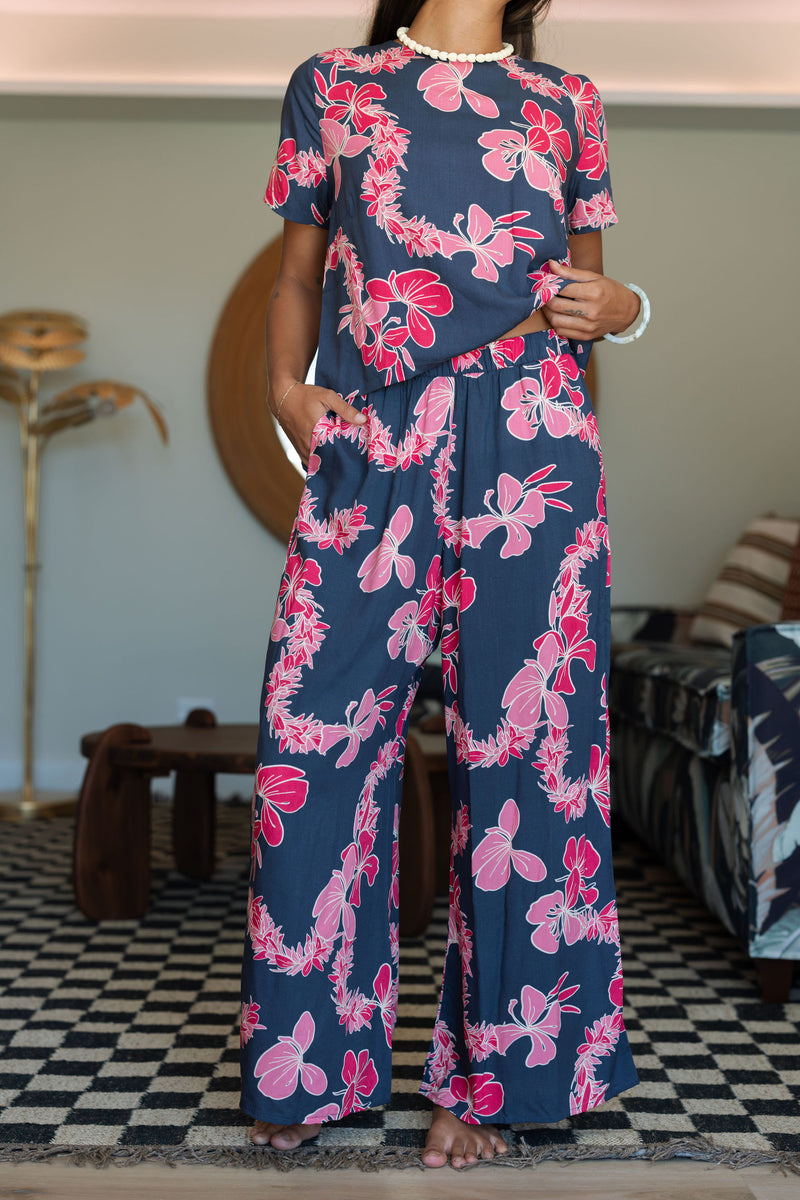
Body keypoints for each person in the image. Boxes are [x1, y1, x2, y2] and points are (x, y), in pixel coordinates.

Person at [240, 0, 644, 1170]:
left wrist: (629, 312)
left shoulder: (565, 99)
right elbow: (297, 274)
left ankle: (496, 1079)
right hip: (377, 440)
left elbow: (589, 299)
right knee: (311, 740)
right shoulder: (334, 82)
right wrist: (282, 388)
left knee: (530, 761)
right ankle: (309, 1060)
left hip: (535, 444)